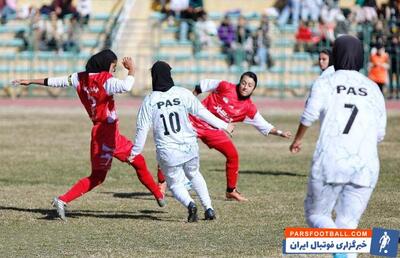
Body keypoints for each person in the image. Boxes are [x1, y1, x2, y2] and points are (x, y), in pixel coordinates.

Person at [13, 49, 165, 220]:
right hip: (104, 134)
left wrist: (31, 81)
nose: (112, 71)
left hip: (109, 132)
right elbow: (126, 86)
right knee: (98, 177)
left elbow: (56, 81)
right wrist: (131, 70)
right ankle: (62, 200)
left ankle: (158, 194)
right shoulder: (105, 80)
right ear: (106, 64)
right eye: (113, 67)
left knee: (138, 160)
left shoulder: (79, 77)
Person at [290, 35, 386, 258]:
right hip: (367, 164)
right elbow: (380, 134)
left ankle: (339, 250)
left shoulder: (326, 81)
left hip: (330, 160)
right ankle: (344, 250)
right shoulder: (373, 87)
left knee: (317, 215)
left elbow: (309, 115)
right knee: (348, 223)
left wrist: (297, 139)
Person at [158, 72, 291, 201]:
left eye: (250, 85)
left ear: (253, 89)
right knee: (172, 147)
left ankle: (231, 191)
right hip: (193, 121)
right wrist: (192, 99)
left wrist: (280, 133)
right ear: (239, 82)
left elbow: (264, 125)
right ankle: (162, 183)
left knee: (232, 155)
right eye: (244, 83)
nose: (245, 87)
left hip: (213, 131)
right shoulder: (225, 86)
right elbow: (202, 85)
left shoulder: (248, 108)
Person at [130, 61, 234, 222]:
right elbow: (202, 112)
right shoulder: (182, 93)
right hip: (189, 146)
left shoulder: (149, 100)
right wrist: (224, 125)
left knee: (174, 183)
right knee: (194, 174)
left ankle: (190, 205)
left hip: (168, 151)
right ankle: (209, 208)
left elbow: (142, 129)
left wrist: (135, 152)